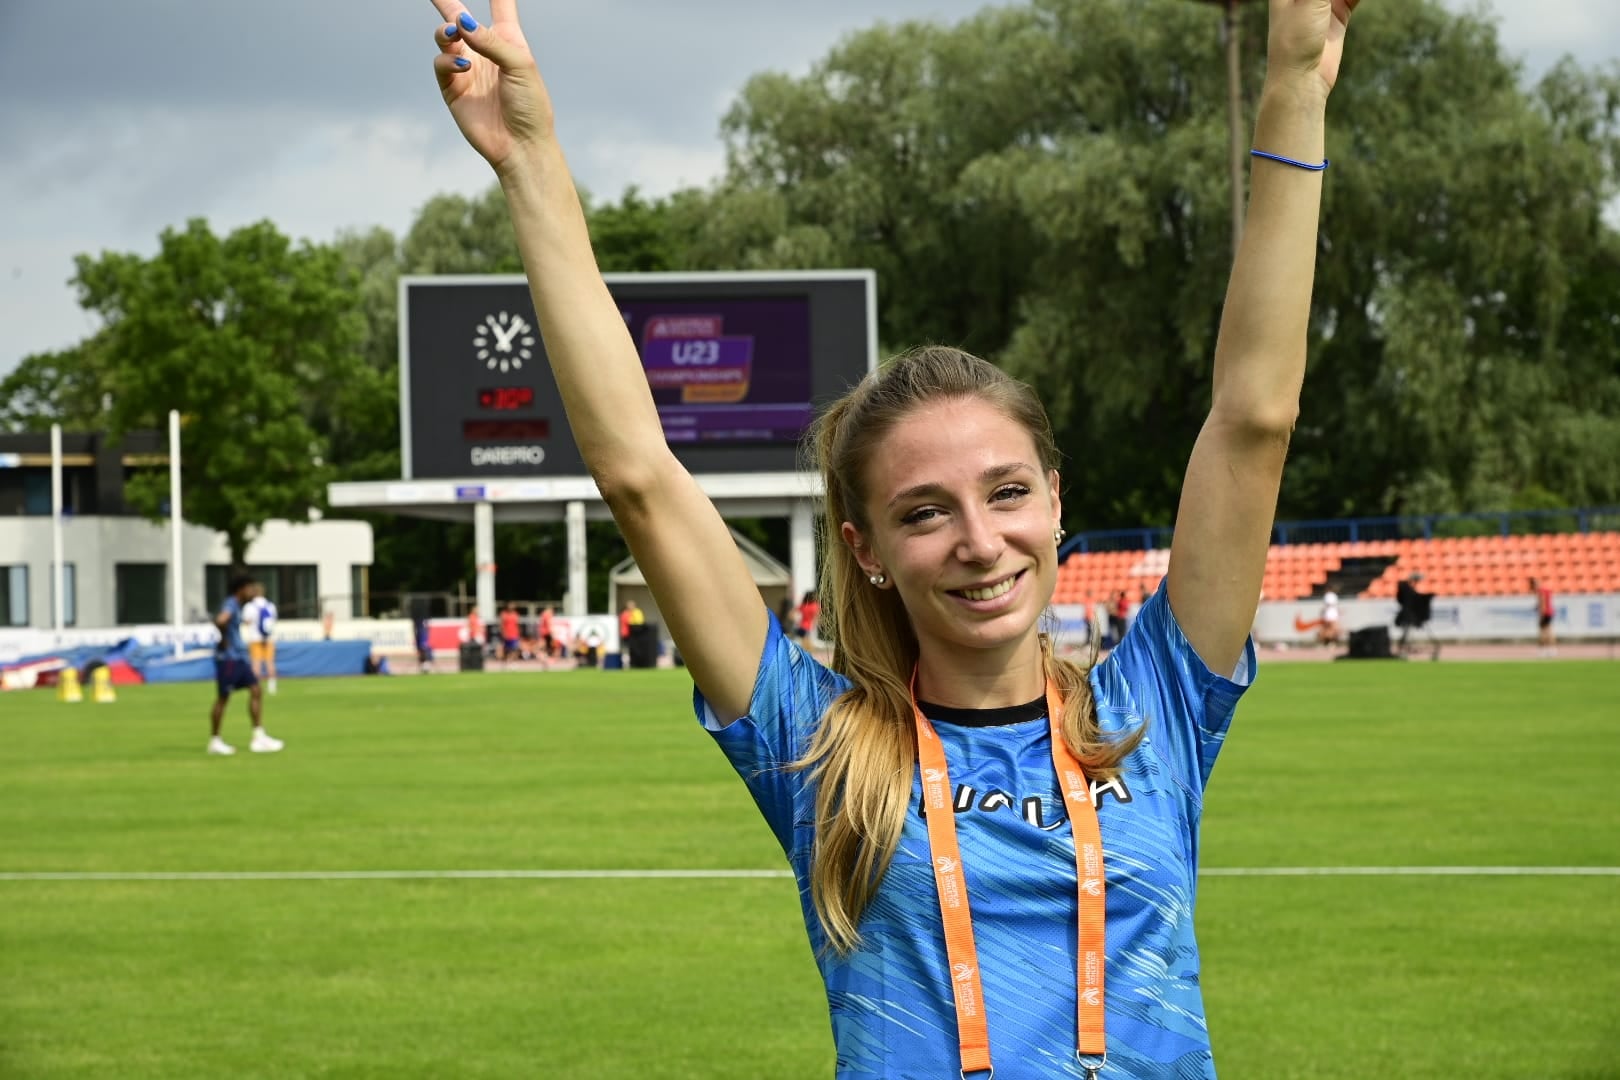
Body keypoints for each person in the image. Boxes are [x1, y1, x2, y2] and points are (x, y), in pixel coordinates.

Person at [426, 0, 1356, 1073]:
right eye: (924, 511)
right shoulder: (820, 747)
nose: (980, 541)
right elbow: (640, 476)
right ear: (865, 548)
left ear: (1055, 503)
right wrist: (530, 159)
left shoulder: (1155, 711)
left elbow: (1253, 420)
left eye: (1007, 493)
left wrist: (1295, 80)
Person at [209, 572, 283, 756]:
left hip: (237, 658)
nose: (252, 591)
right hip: (229, 659)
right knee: (223, 698)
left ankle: (259, 736)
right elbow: (221, 620)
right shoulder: (231, 604)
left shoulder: (237, 605)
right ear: (240, 589)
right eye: (249, 588)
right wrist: (224, 640)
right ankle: (215, 741)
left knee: (256, 689)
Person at [241, 585, 279, 694]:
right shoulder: (270, 605)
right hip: (269, 638)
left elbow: (246, 621)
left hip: (255, 638)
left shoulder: (249, 606)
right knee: (270, 662)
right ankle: (272, 687)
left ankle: (255, 685)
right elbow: (273, 620)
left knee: (256, 663)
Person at [1530, 577, 1556, 656]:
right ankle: (1551, 650)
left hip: (1545, 613)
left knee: (1543, 632)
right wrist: (1537, 607)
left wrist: (1541, 614)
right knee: (1548, 631)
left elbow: (1543, 602)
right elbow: (1543, 602)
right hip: (1549, 612)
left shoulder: (1540, 591)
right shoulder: (1545, 590)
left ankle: (1543, 650)